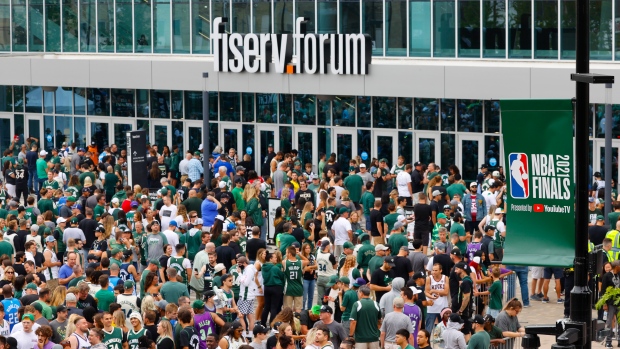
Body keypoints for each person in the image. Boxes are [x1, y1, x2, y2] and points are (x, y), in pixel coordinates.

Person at [349, 285, 381, 349]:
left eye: (358, 292)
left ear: (361, 293)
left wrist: (351, 335)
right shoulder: (376, 304)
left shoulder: (357, 304)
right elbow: (379, 321)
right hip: (374, 338)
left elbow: (353, 322)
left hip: (361, 339)